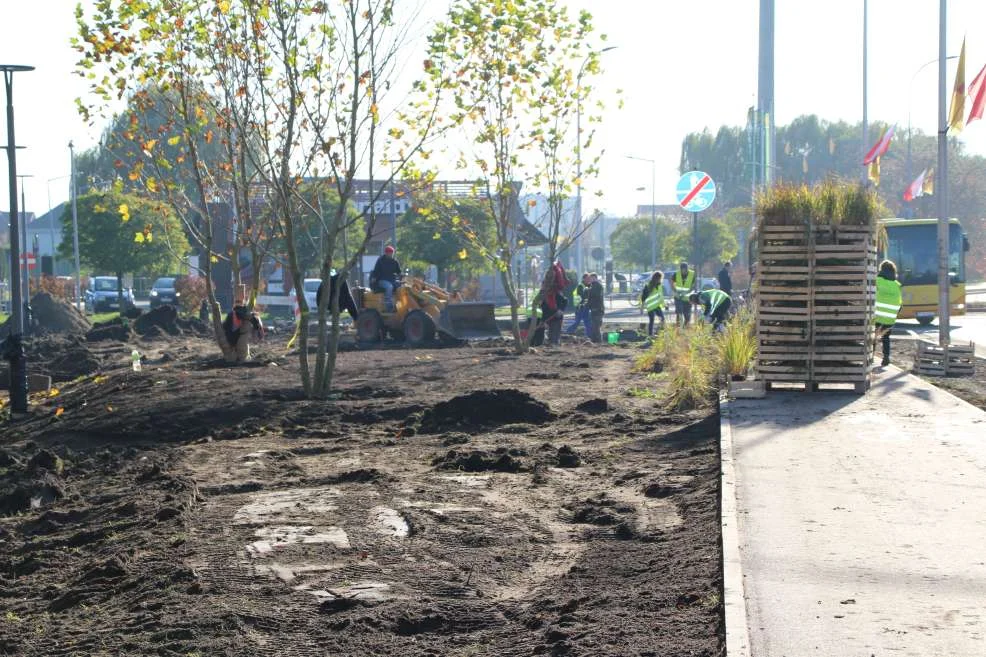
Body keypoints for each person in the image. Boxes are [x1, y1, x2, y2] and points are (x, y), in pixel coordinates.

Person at [874, 259, 902, 367]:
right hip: (890, 318)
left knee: (872, 337)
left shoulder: (877, 280)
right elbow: (900, 303)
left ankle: (870, 357)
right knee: (886, 338)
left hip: (876, 316)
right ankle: (886, 358)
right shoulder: (897, 285)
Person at [539, 261, 568, 346]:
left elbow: (565, 301)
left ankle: (555, 345)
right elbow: (543, 306)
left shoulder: (557, 292)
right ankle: (552, 345)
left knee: (555, 332)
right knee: (551, 332)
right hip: (548, 316)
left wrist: (561, 310)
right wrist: (543, 320)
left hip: (556, 315)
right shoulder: (543, 293)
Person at [371, 245, 401, 311]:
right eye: (390, 253)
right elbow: (375, 271)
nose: (391, 254)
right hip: (382, 280)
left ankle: (399, 306)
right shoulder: (380, 261)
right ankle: (389, 307)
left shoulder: (394, 262)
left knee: (402, 287)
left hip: (392, 280)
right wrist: (373, 278)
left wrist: (402, 277)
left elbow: (399, 272)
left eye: (392, 253)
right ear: (386, 253)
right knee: (389, 287)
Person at [640, 271, 665, 336]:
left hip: (657, 305)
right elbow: (643, 297)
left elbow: (661, 296)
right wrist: (642, 308)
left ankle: (660, 333)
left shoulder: (659, 285)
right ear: (655, 278)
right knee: (652, 320)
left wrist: (665, 305)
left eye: (660, 278)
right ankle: (650, 335)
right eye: (659, 278)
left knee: (662, 319)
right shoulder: (648, 285)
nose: (660, 280)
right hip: (650, 306)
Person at [672, 261, 696, 326]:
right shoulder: (676, 274)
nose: (684, 271)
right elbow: (672, 282)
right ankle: (678, 328)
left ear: (687, 268)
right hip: (678, 297)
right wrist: (675, 291)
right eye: (682, 269)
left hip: (688, 298)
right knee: (679, 313)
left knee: (687, 315)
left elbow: (693, 286)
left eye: (685, 269)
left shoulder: (692, 274)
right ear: (680, 269)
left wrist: (688, 292)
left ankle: (686, 328)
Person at [587, 272, 605, 343]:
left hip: (598, 309)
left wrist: (588, 303)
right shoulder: (594, 286)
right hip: (596, 308)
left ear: (595, 278)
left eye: (591, 278)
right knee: (594, 326)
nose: (590, 279)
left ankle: (598, 341)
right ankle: (595, 340)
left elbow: (595, 297)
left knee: (596, 326)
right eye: (590, 278)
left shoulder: (597, 286)